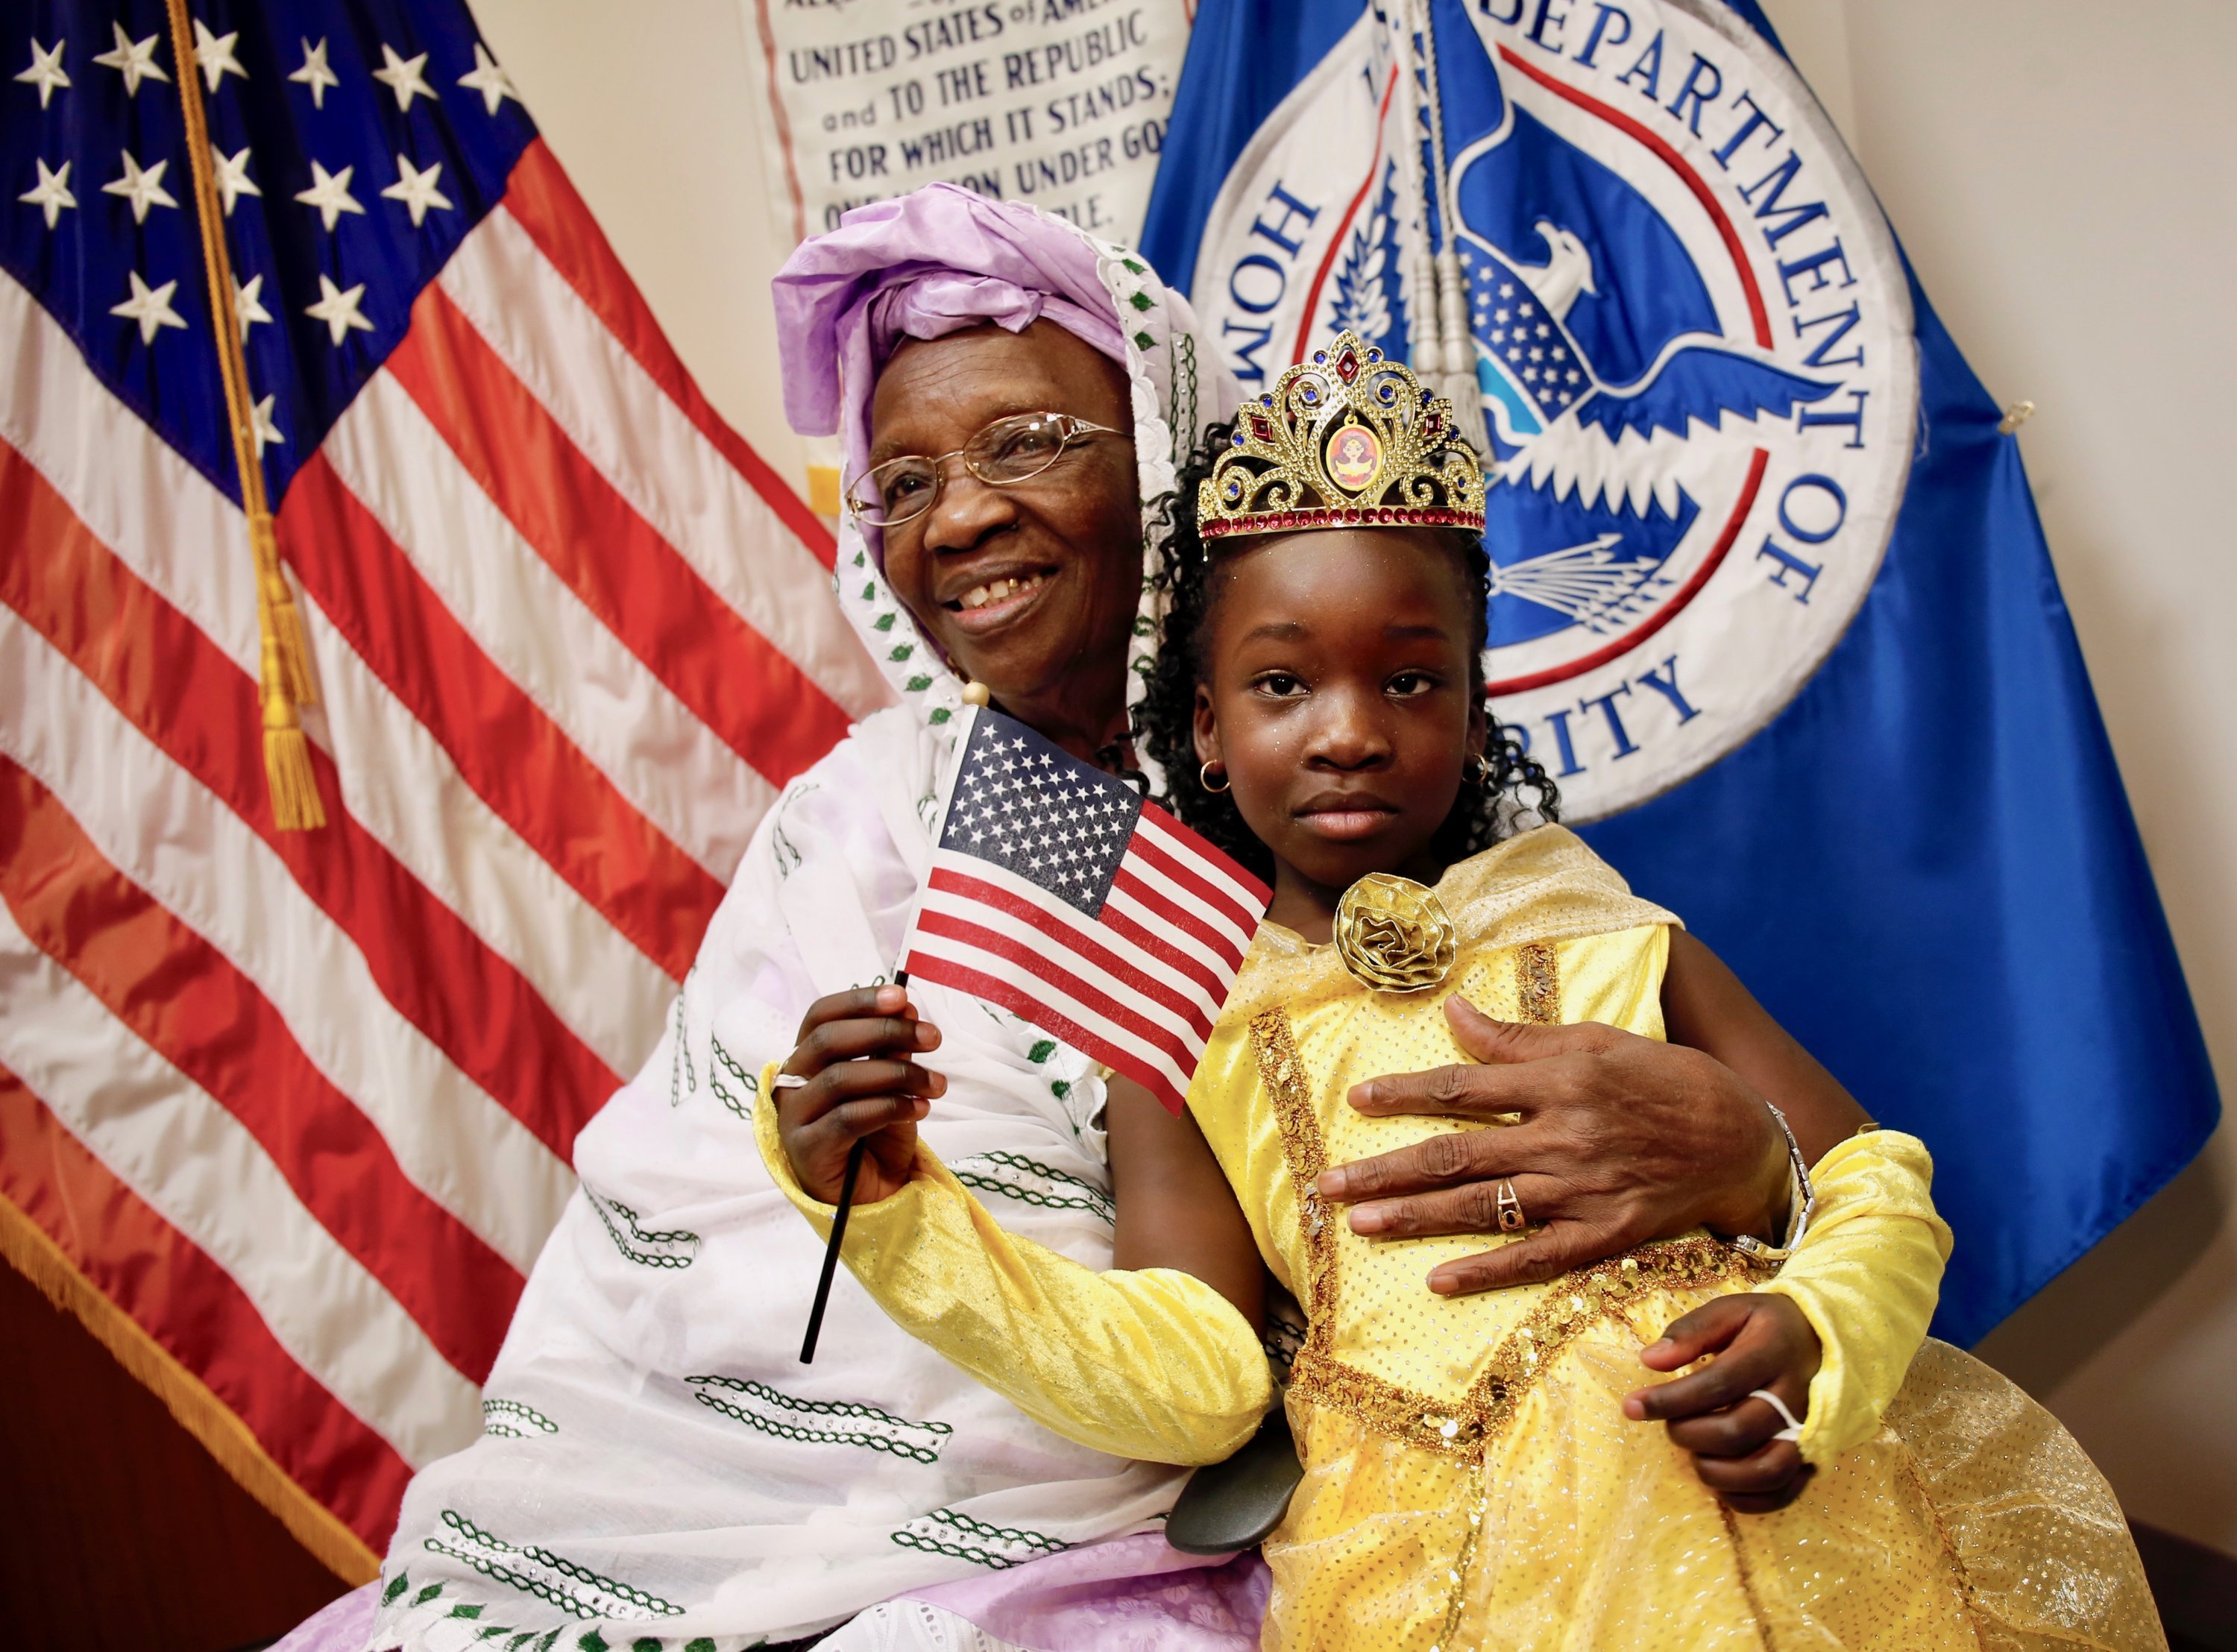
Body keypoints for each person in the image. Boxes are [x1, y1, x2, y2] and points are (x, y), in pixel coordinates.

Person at [336, 189, 1901, 1652]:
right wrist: (839, 1166)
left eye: (1023, 443)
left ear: (1159, 453)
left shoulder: (1352, 801)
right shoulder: (863, 804)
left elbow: (1496, 1169)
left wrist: (1753, 1154)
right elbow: (679, 1218)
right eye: (907, 481)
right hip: (723, 1473)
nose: (958, 521)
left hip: (1272, 1506)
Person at [764, 338, 2163, 1651]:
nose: (1353, 731)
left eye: (1412, 679)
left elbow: (1872, 1178)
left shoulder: (1599, 925)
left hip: (1756, 1523)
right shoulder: (1183, 1014)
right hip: (1438, 1566)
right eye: (1280, 685)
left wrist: (1817, 1336)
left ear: (1474, 706)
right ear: (1205, 722)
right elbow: (1194, 1379)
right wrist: (901, 1213)